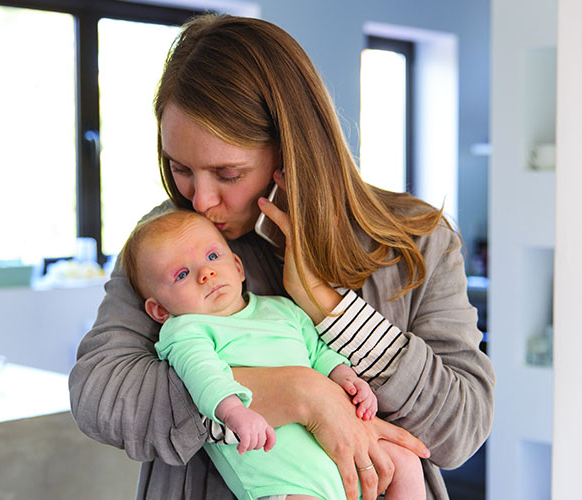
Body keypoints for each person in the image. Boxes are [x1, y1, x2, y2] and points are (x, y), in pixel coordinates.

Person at [69, 14, 495, 500]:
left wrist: (328, 309)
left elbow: (461, 426)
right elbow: (101, 395)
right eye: (181, 168)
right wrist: (302, 394)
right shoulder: (168, 245)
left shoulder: (416, 240)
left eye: (227, 173)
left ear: (290, 149)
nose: (200, 200)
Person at [121, 209, 425, 500]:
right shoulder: (186, 329)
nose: (206, 273)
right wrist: (234, 411)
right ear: (159, 310)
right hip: (283, 477)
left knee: (407, 461)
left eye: (212, 256)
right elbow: (203, 375)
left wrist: (348, 379)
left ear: (237, 267)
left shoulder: (282, 308)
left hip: (340, 448)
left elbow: (318, 352)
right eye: (182, 274)